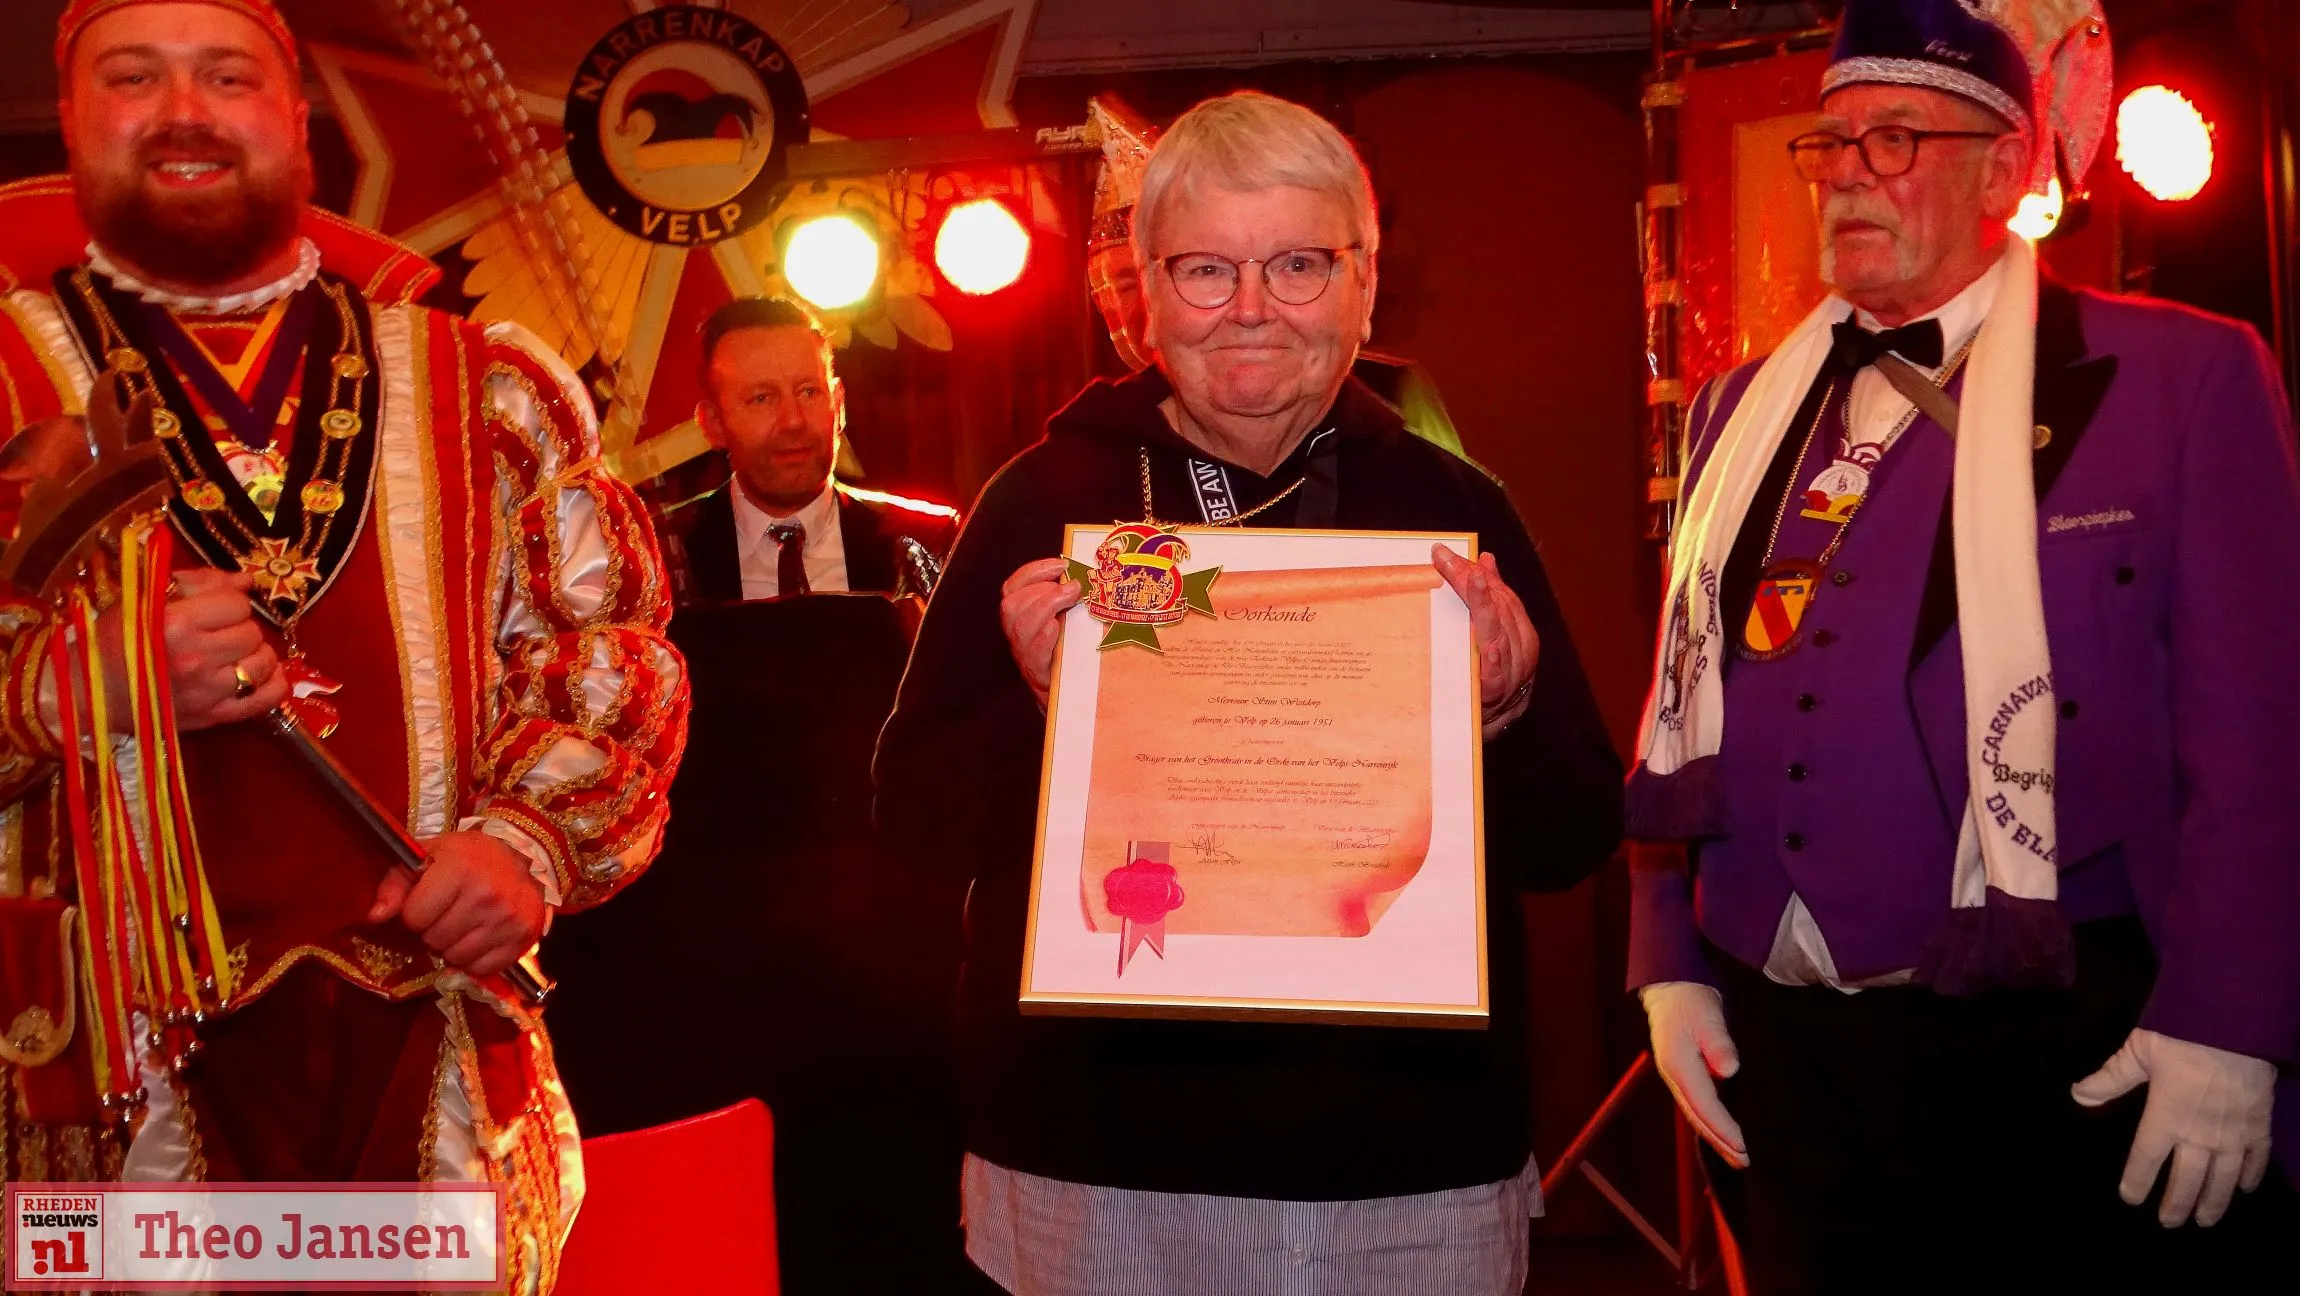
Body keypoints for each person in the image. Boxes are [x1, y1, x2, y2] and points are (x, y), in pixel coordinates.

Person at [875, 89, 1623, 1293]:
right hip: (1099, 1166)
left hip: (1408, 1166)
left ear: (1366, 278)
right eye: (1207, 270)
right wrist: (1035, 707)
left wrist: (1506, 714)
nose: (1252, 311)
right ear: (1145, 290)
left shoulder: (1452, 512)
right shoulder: (1040, 504)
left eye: (1296, 264)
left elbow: (1571, 836)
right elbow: (910, 829)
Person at [0, 4, 687, 1287]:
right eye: (132, 77)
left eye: (226, 75)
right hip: (92, 1088)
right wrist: (73, 685)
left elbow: (605, 654)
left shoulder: (484, 382)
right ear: (72, 114)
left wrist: (526, 841)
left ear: (295, 119)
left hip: (422, 1060)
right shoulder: (1, 378)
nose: (183, 111)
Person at [1626, 0, 2300, 1289]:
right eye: (1828, 146)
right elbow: (1679, 697)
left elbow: (2260, 738)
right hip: (1786, 1050)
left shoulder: (2179, 375)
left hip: (2060, 1037)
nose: (1844, 177)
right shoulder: (1735, 409)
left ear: (2002, 168)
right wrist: (1670, 963)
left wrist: (2228, 1024)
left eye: (1893, 141)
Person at [676, 296, 958, 605]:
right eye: (762, 398)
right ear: (713, 423)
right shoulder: (661, 550)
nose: (793, 421)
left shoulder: (927, 541)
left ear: (838, 405)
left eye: (808, 392)